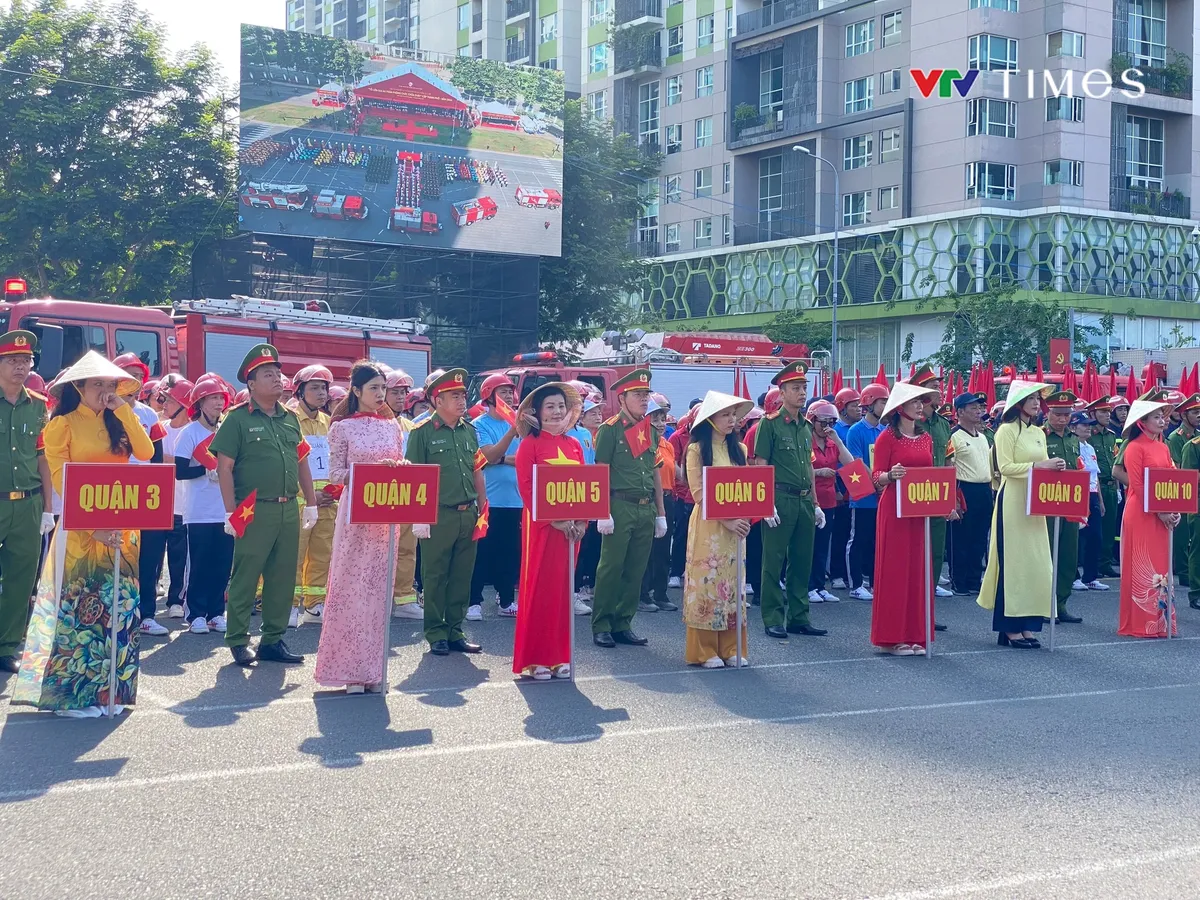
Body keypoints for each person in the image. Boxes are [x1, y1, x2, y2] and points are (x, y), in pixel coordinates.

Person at [13, 352, 154, 714]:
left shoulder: (120, 420)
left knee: (118, 610)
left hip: (121, 527)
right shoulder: (62, 425)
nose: (106, 391)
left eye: (111, 384)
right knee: (79, 611)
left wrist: (123, 410)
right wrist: (95, 525)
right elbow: (60, 477)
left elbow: (147, 451)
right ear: (79, 387)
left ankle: (110, 690)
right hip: (82, 528)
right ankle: (69, 696)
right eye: (98, 384)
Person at [211, 344, 320, 667]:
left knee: (283, 576)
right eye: (267, 375)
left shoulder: (289, 419)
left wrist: (311, 502)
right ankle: (238, 639)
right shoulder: (237, 420)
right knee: (247, 575)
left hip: (288, 507)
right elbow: (224, 468)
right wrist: (230, 511)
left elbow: (302, 462)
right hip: (253, 509)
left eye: (278, 373)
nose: (277, 379)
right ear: (251, 384)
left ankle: (273, 640)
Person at [314, 362, 407, 693]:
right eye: (374, 389)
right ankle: (348, 670)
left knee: (378, 592)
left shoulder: (393, 426)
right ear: (356, 391)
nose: (381, 395)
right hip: (356, 515)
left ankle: (373, 668)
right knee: (351, 590)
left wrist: (399, 468)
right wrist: (367, 473)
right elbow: (336, 474)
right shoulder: (342, 428)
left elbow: (398, 464)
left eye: (383, 388)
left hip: (385, 518)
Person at [406, 368, 487, 656]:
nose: (462, 400)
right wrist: (419, 517)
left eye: (463, 395)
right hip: (438, 515)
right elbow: (414, 477)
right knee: (435, 575)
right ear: (437, 400)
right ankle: (436, 631)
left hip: (468, 513)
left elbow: (477, 471)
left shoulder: (470, 431)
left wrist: (482, 508)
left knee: (462, 575)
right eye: (455, 395)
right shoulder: (422, 433)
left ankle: (455, 630)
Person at [978, 380, 1060, 650]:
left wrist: (1053, 468)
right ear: (1018, 403)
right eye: (1031, 399)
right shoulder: (1005, 431)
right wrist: (1041, 465)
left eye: (1038, 399)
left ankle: (1029, 625)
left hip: (1036, 502)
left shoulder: (1039, 432)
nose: (1037, 403)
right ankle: (1009, 629)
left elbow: (1043, 466)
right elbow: (1006, 467)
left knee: (1035, 565)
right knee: (1013, 565)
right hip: (1012, 501)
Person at [512, 382, 585, 680]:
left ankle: (560, 655)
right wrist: (551, 520)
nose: (556, 412)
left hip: (571, 531)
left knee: (563, 591)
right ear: (537, 413)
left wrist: (583, 521)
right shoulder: (530, 445)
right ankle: (537, 658)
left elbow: (585, 487)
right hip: (542, 529)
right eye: (550, 407)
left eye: (560, 406)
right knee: (540, 589)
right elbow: (527, 488)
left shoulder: (575, 445)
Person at [591, 369, 667, 649]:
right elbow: (601, 471)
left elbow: (655, 472)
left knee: (636, 569)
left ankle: (623, 622)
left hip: (645, 506)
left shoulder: (648, 430)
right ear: (622, 398)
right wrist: (602, 511)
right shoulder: (610, 429)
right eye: (638, 395)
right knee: (611, 567)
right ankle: (602, 624)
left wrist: (661, 513)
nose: (644, 400)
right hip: (619, 505)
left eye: (646, 394)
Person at [868, 381, 940, 656]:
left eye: (922, 401)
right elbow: (876, 476)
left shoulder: (927, 438)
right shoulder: (887, 437)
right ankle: (893, 636)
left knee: (919, 569)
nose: (920, 405)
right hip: (895, 509)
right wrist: (891, 476)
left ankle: (916, 634)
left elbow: (933, 474)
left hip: (919, 509)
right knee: (896, 570)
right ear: (900, 408)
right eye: (914, 402)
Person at [756, 361, 828, 639]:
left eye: (804, 387)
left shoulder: (806, 426)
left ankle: (799, 616)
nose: (802, 393)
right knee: (773, 561)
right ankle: (773, 616)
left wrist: (816, 502)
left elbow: (809, 466)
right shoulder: (769, 424)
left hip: (803, 500)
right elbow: (761, 463)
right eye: (795, 388)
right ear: (782, 392)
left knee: (802, 561)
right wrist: (764, 502)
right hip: (780, 497)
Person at [682, 391, 753, 667]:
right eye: (725, 414)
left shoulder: (741, 450)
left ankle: (732, 646)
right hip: (710, 527)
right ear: (710, 419)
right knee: (708, 582)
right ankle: (705, 649)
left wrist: (744, 518)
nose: (732, 420)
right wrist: (728, 520)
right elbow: (699, 493)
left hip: (737, 527)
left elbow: (747, 488)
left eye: (734, 414)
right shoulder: (696, 450)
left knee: (734, 583)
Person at [0, 332, 54, 675]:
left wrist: (49, 507)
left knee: (21, 579)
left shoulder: (38, 405)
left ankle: (7, 646)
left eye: (26, 361)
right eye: (12, 360)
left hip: (29, 504)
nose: (20, 367)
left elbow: (42, 458)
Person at [1115, 389, 1179, 638]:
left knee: (1161, 565)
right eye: (1156, 417)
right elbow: (1138, 485)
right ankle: (1140, 623)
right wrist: (1159, 511)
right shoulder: (1134, 447)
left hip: (1161, 514)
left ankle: (1161, 622)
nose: (1162, 421)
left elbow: (1172, 481)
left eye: (1163, 417)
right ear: (1142, 422)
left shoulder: (1163, 448)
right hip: (1141, 512)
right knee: (1142, 563)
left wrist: (1174, 510)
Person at [171, 375, 233, 634]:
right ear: (200, 402)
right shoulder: (189, 433)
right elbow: (179, 471)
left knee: (222, 563)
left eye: (221, 398)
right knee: (198, 563)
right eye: (212, 398)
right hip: (197, 512)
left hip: (224, 508)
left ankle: (216, 612)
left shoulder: (227, 431)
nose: (218, 403)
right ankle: (195, 613)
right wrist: (205, 471)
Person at [287, 364, 337, 629]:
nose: (321, 393)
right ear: (299, 391)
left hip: (327, 501)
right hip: (300, 501)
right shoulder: (289, 420)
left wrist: (330, 492)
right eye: (314, 388)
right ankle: (290, 604)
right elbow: (288, 462)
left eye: (324, 388)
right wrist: (309, 494)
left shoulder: (328, 422)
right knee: (294, 555)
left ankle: (314, 604)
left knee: (322, 553)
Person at [469, 374, 522, 621]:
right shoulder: (480, 425)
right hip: (489, 499)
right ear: (489, 396)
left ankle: (506, 600)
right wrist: (512, 434)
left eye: (510, 392)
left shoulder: (523, 426)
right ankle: (474, 602)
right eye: (503, 392)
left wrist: (505, 460)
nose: (509, 396)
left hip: (516, 499)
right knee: (482, 552)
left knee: (510, 552)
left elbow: (529, 459)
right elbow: (489, 456)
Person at [910, 367, 955, 599]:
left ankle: (927, 607)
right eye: (934, 387)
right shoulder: (907, 422)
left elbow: (948, 460)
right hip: (913, 496)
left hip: (938, 495)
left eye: (939, 387)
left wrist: (951, 499)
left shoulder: (943, 424)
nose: (940, 391)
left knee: (936, 552)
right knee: (914, 553)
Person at [844, 382, 889, 600]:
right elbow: (857, 462)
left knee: (876, 540)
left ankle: (874, 582)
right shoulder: (856, 431)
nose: (886, 405)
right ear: (870, 403)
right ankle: (856, 585)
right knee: (859, 539)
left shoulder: (886, 430)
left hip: (883, 493)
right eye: (882, 401)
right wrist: (878, 480)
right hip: (863, 495)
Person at [1043, 391, 1084, 623]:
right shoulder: (1040, 436)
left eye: (1067, 414)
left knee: (1068, 555)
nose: (1062, 419)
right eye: (1058, 414)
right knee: (1047, 554)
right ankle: (1044, 605)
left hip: (1070, 501)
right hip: (1047, 501)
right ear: (1048, 413)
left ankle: (1061, 603)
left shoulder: (1072, 438)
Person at [385, 370, 423, 620]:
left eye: (403, 393)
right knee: (380, 550)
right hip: (382, 496)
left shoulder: (412, 426)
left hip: (408, 495)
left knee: (408, 548)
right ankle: (379, 598)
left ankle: (404, 598)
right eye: (395, 392)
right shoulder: (374, 424)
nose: (400, 398)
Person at [806, 399, 852, 604]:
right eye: (823, 422)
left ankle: (819, 586)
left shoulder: (833, 444)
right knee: (809, 545)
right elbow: (801, 471)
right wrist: (819, 472)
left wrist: (839, 441)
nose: (827, 427)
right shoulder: (806, 442)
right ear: (812, 421)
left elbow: (851, 464)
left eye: (831, 423)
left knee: (823, 545)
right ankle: (807, 587)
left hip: (829, 500)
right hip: (809, 499)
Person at [949, 391, 994, 595]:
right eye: (973, 408)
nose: (978, 411)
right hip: (964, 489)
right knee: (961, 538)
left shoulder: (984, 437)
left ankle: (975, 579)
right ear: (960, 412)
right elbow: (949, 468)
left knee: (979, 538)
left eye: (980, 408)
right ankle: (959, 580)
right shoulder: (954, 436)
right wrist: (953, 500)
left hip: (984, 489)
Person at [639, 395, 678, 613]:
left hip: (668, 498)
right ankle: (643, 595)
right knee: (646, 550)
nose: (661, 424)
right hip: (648, 499)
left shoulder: (667, 445)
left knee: (663, 550)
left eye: (663, 419)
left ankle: (660, 593)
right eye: (655, 419)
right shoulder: (642, 443)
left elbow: (676, 473)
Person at [570, 396, 602, 614]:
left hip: (585, 494)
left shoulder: (584, 435)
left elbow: (591, 465)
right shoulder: (559, 432)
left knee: (582, 547)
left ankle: (573, 593)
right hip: (564, 494)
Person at [1072, 411, 1109, 593]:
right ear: (1073, 427)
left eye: (1089, 424)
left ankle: (1091, 577)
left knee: (1096, 537)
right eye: (1083, 425)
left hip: (1093, 494)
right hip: (1078, 493)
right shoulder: (1072, 446)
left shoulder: (1090, 447)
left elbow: (1095, 476)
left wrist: (1100, 500)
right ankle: (1074, 576)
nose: (1088, 428)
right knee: (1077, 538)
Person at [1166, 392, 1200, 587]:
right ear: (1184, 415)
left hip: (1194, 491)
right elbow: (1177, 468)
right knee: (1183, 536)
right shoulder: (1176, 438)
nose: (1198, 415)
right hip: (1183, 489)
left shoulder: (1197, 437)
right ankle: (1185, 573)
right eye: (1194, 412)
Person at [829, 387, 861, 589]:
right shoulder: (835, 430)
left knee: (854, 532)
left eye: (859, 405)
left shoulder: (858, 429)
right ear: (842, 407)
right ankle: (836, 573)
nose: (859, 409)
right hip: (839, 482)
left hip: (856, 482)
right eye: (854, 405)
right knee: (840, 532)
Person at [1088, 396, 1120, 578]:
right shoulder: (1088, 434)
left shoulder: (1111, 435)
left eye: (1108, 412)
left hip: (1110, 486)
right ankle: (1094, 564)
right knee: (1095, 529)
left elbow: (1114, 460)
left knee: (1109, 528)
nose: (1107, 415)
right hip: (1096, 486)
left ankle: (1106, 563)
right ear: (1093, 414)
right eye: (1102, 412)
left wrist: (1116, 489)